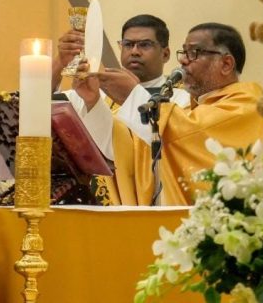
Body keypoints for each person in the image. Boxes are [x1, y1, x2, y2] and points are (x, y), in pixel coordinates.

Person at [110, 22, 263, 205]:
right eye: (184, 52)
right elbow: (141, 145)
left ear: (226, 64)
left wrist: (132, 96)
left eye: (194, 53)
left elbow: (188, 131)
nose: (183, 60)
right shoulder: (193, 108)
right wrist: (94, 104)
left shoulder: (246, 105)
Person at [53, 14, 190, 204]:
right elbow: (43, 104)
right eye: (128, 44)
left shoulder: (182, 99)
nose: (134, 51)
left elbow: (172, 147)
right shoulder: (94, 89)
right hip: (92, 205)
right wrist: (60, 61)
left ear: (165, 54)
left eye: (145, 45)